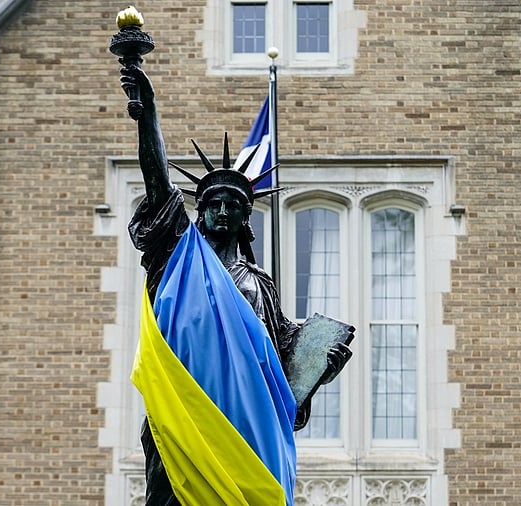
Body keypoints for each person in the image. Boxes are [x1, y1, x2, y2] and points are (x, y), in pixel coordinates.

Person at [121, 64, 352, 506]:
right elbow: (157, 183)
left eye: (234, 205)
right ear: (200, 210)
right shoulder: (175, 257)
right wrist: (147, 114)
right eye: (213, 203)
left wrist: (321, 368)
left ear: (247, 218)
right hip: (182, 416)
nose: (223, 211)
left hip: (246, 429)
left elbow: (283, 376)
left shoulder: (260, 286)